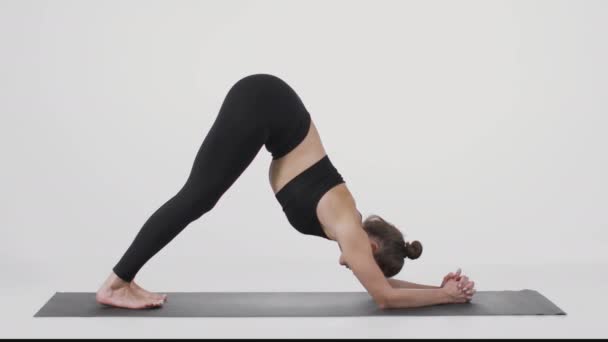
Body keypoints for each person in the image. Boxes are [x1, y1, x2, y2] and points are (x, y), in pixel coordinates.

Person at [96, 73, 476, 309]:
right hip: (265, 103)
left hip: (267, 103)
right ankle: (116, 284)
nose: (351, 269)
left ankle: (123, 280)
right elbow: (384, 296)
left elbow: (382, 282)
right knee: (197, 197)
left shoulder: (351, 228)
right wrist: (444, 297)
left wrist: (436, 287)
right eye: (361, 266)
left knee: (199, 197)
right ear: (372, 248)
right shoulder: (349, 229)